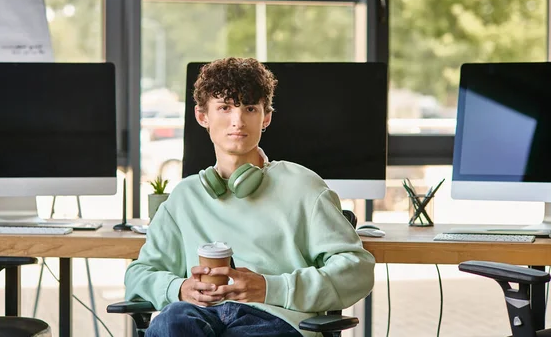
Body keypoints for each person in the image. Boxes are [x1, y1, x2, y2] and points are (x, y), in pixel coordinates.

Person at [125, 57, 375, 337]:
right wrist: (179, 288)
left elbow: (357, 271)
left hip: (274, 319)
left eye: (250, 108)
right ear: (202, 116)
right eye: (225, 108)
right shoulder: (184, 197)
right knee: (172, 321)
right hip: (196, 317)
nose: (238, 121)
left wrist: (270, 288)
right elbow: (139, 274)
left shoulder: (304, 187)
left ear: (265, 117)